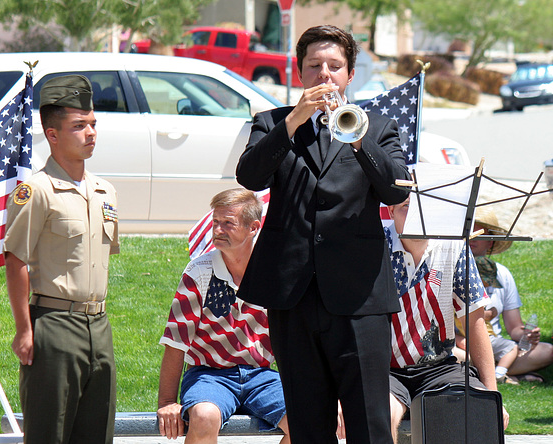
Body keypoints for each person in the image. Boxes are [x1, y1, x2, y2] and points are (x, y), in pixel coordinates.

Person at [235, 24, 410, 443]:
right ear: (299, 73)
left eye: (335, 66)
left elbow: (395, 188)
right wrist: (293, 121)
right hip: (293, 295)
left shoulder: (379, 128)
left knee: (369, 422)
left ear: (350, 75)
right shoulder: (272, 123)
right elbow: (249, 176)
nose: (324, 74)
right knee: (308, 423)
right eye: (314, 65)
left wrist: (358, 139)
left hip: (358, 297)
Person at [4, 75, 120, 444]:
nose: (90, 133)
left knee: (97, 431)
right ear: (52, 135)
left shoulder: (105, 191)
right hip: (53, 324)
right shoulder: (35, 191)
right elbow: (15, 259)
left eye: (93, 124)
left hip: (98, 325)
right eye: (78, 126)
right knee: (48, 433)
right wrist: (25, 329)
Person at [156, 189, 290, 443]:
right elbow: (175, 342)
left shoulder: (275, 273)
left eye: (228, 223)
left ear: (253, 228)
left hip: (261, 374)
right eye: (215, 222)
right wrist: (166, 402)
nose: (218, 230)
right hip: (208, 374)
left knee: (307, 418)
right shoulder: (199, 271)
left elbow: (296, 340)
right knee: (205, 416)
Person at [384, 199, 509, 443]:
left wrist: (493, 394)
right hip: (383, 369)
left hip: (440, 367)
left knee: (476, 410)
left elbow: (475, 321)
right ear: (390, 211)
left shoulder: (454, 246)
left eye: (422, 205)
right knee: (383, 415)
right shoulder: (373, 246)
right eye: (406, 206)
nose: (416, 215)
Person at [469, 206, 553, 381]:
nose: (472, 239)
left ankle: (490, 373)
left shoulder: (502, 274)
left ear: (491, 242)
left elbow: (514, 328)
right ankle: (504, 374)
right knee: (456, 356)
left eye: (480, 234)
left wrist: (526, 334)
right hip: (463, 346)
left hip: (496, 345)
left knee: (547, 351)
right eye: (469, 232)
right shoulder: (450, 269)